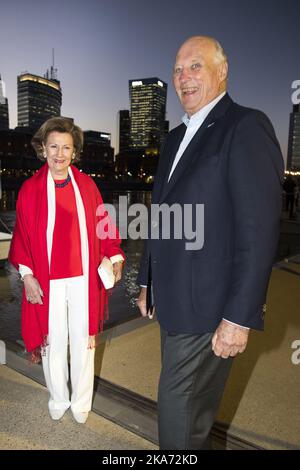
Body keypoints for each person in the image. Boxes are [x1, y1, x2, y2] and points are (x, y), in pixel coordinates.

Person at [137, 36, 284, 449]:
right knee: (190, 415)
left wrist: (239, 317)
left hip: (212, 310)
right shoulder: (173, 139)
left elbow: (258, 230)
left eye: (195, 66)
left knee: (177, 417)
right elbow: (162, 213)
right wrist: (147, 280)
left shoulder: (245, 127)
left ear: (222, 72)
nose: (184, 77)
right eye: (178, 70)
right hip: (173, 304)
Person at [9, 117, 125, 424]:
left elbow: (104, 226)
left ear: (74, 152)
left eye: (66, 148)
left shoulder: (87, 186)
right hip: (48, 281)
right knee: (54, 343)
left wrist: (114, 256)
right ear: (43, 150)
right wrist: (27, 276)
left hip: (82, 279)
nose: (60, 154)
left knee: (84, 342)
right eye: (54, 147)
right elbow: (21, 237)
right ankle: (58, 397)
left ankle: (81, 402)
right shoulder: (30, 190)